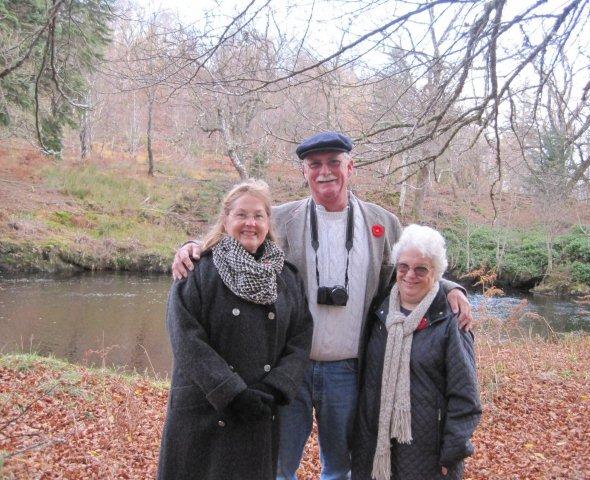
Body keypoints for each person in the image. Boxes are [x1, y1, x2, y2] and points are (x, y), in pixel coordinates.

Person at [171, 131, 473, 480]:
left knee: (340, 466)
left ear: (351, 166)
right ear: (304, 172)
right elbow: (235, 237)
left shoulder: (382, 223)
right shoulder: (280, 219)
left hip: (348, 369)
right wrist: (191, 246)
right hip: (287, 369)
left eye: (334, 162)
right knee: (279, 464)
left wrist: (449, 286)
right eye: (315, 164)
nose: (324, 171)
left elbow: (409, 268)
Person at [157, 180, 313, 480]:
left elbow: (301, 338)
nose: (250, 223)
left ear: (269, 222)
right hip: (206, 408)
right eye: (241, 215)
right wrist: (230, 392)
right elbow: (186, 339)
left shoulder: (287, 278)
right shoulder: (198, 270)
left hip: (258, 407)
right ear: (225, 219)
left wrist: (274, 388)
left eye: (258, 215)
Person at [351, 224, 481, 480]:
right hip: (374, 446)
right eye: (403, 267)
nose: (410, 274)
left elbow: (466, 398)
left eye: (421, 268)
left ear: (437, 273)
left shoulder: (450, 321)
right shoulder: (379, 310)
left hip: (426, 453)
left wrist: (453, 452)